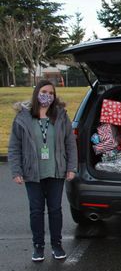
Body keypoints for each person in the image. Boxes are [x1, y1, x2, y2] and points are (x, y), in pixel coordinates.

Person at [8, 80, 78, 261]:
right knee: (36, 210)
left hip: (56, 171)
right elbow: (14, 146)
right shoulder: (23, 117)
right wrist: (16, 171)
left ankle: (57, 245)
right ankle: (38, 246)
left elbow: (70, 144)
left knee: (55, 209)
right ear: (37, 92)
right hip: (32, 172)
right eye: (44, 91)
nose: (47, 95)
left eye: (51, 93)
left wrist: (71, 167)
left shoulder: (61, 116)